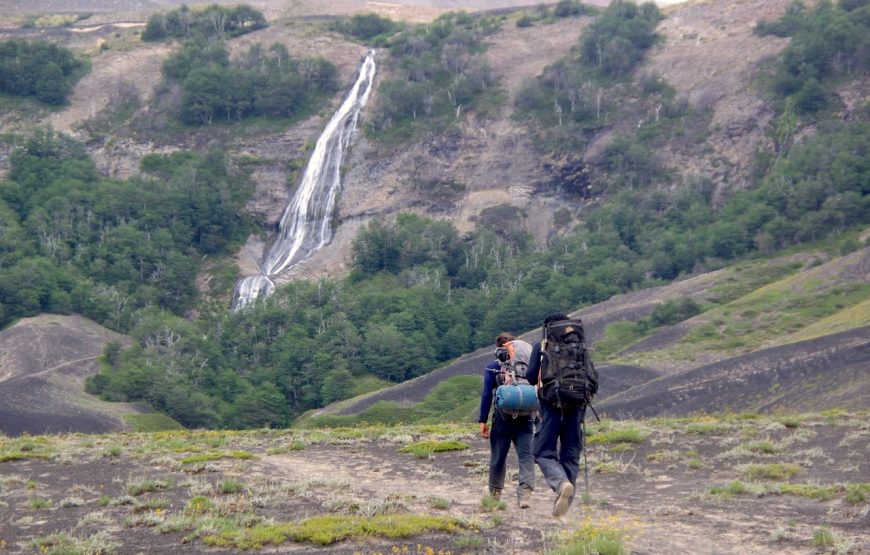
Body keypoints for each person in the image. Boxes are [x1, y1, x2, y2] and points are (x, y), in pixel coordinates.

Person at [527, 312, 586, 518]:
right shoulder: (580, 347)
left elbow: (531, 377)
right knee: (571, 455)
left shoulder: (542, 346)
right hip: (577, 409)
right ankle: (565, 502)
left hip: (550, 408)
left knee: (543, 452)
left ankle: (561, 484)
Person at [478, 332, 535, 508]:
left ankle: (495, 496)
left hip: (502, 421)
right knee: (526, 456)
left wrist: (482, 421)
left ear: (498, 349)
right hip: (526, 419)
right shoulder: (528, 366)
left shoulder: (493, 367)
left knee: (498, 457)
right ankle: (524, 493)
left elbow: (487, 394)